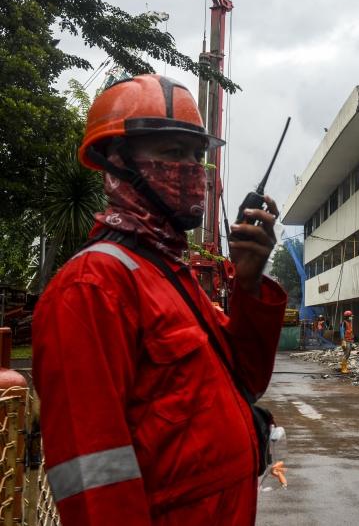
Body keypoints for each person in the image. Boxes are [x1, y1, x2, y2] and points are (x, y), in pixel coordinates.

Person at [32, 74, 287, 526]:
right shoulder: (92, 286)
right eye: (172, 153)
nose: (192, 169)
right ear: (117, 163)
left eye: (196, 155)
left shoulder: (171, 274)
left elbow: (246, 379)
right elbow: (96, 478)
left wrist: (248, 286)